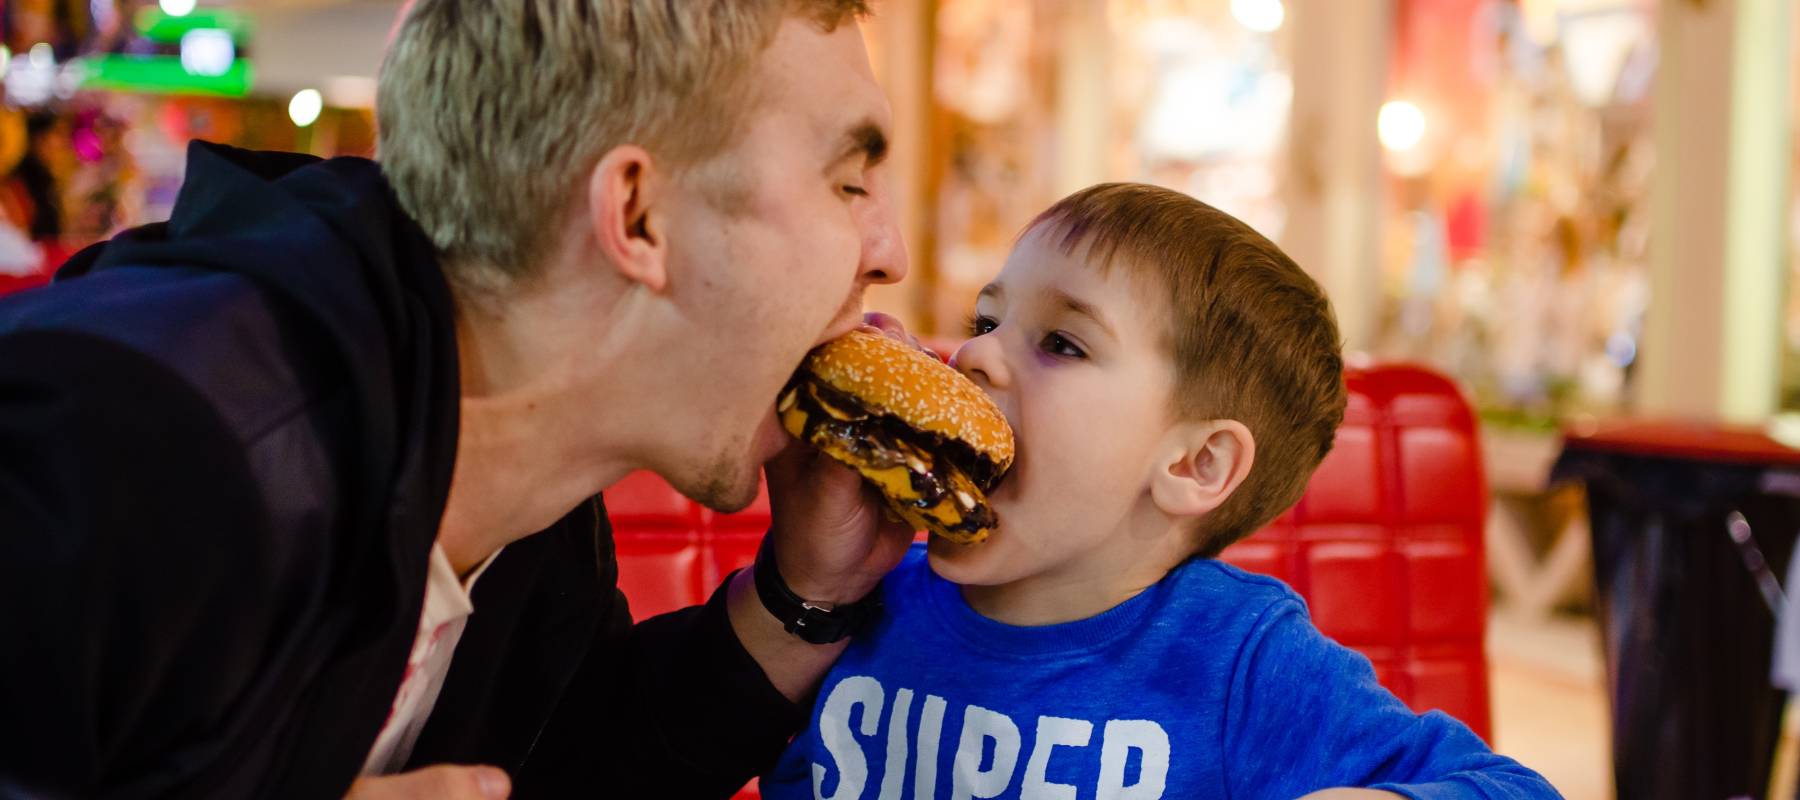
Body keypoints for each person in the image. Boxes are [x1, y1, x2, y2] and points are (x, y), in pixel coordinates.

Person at [0, 2, 924, 797]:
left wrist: (809, 591)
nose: (890, 254)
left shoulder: (534, 497)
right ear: (640, 215)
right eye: (848, 182)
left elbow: (577, 762)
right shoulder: (137, 448)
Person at [760, 184, 1563, 799]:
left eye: (1062, 343)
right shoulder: (859, 601)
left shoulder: (1240, 660)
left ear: (1195, 466)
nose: (974, 357)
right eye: (986, 320)